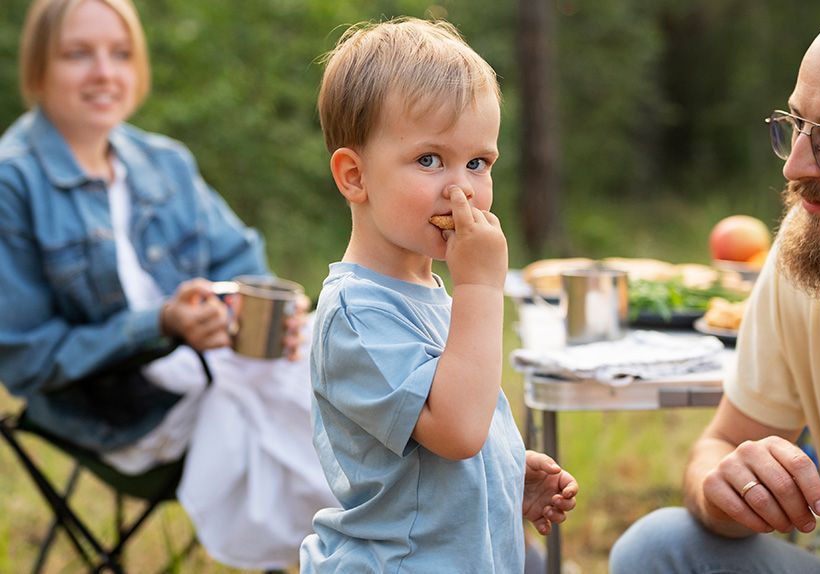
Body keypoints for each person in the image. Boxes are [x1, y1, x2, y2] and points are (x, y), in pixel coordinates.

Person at [0, 0, 336, 570]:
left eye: (121, 53)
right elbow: (25, 357)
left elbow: (244, 262)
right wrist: (161, 325)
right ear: (39, 68)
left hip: (217, 364)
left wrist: (255, 314)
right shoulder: (13, 183)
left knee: (337, 369)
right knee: (312, 416)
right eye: (79, 54)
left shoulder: (164, 163)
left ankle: (433, 536)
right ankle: (373, 546)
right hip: (117, 405)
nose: (105, 72)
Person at [298, 17, 579, 573]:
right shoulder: (356, 313)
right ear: (355, 176)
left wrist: (499, 474)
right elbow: (455, 430)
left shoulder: (428, 294)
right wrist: (480, 285)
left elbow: (447, 436)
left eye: (478, 162)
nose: (462, 188)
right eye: (430, 160)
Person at [609, 11, 820, 574]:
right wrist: (726, 485)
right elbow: (721, 444)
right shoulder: (809, 246)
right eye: (796, 125)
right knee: (658, 546)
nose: (795, 165)